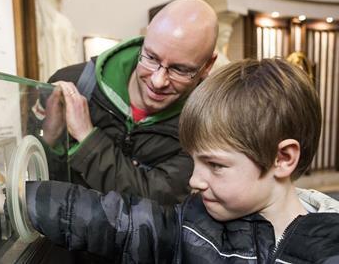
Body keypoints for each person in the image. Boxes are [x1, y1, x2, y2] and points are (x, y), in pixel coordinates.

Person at [22, 58, 339, 263]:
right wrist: (18, 197)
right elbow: (114, 220)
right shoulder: (194, 224)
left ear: (282, 159)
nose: (194, 181)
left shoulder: (329, 250)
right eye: (195, 162)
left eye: (215, 165)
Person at [39, 0, 218, 205]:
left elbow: (157, 201)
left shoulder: (205, 125)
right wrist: (48, 139)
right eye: (151, 57)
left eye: (180, 69)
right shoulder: (74, 81)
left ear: (207, 66)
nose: (158, 81)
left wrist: (87, 138)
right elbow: (36, 176)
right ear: (146, 35)